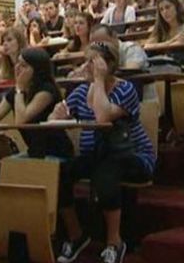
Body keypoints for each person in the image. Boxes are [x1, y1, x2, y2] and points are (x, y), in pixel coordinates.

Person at [52, 42, 155, 263]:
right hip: (96, 155)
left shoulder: (125, 88)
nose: (87, 66)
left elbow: (102, 117)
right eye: (85, 61)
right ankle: (76, 235)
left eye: (93, 61)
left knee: (105, 172)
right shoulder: (81, 91)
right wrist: (59, 114)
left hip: (133, 156)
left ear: (108, 64)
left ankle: (114, 242)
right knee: (60, 173)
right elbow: (55, 118)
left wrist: (99, 80)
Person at [0, 48, 73, 159]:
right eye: (18, 63)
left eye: (24, 66)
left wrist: (19, 89)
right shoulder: (15, 92)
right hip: (34, 152)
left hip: (55, 153)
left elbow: (21, 121)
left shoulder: (46, 90)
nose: (17, 68)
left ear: (37, 69)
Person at [145, 0, 184, 65]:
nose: (165, 12)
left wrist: (160, 45)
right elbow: (147, 46)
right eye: (161, 10)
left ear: (176, 7)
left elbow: (179, 43)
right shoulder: (160, 28)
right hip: (166, 66)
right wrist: (170, 41)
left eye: (167, 7)